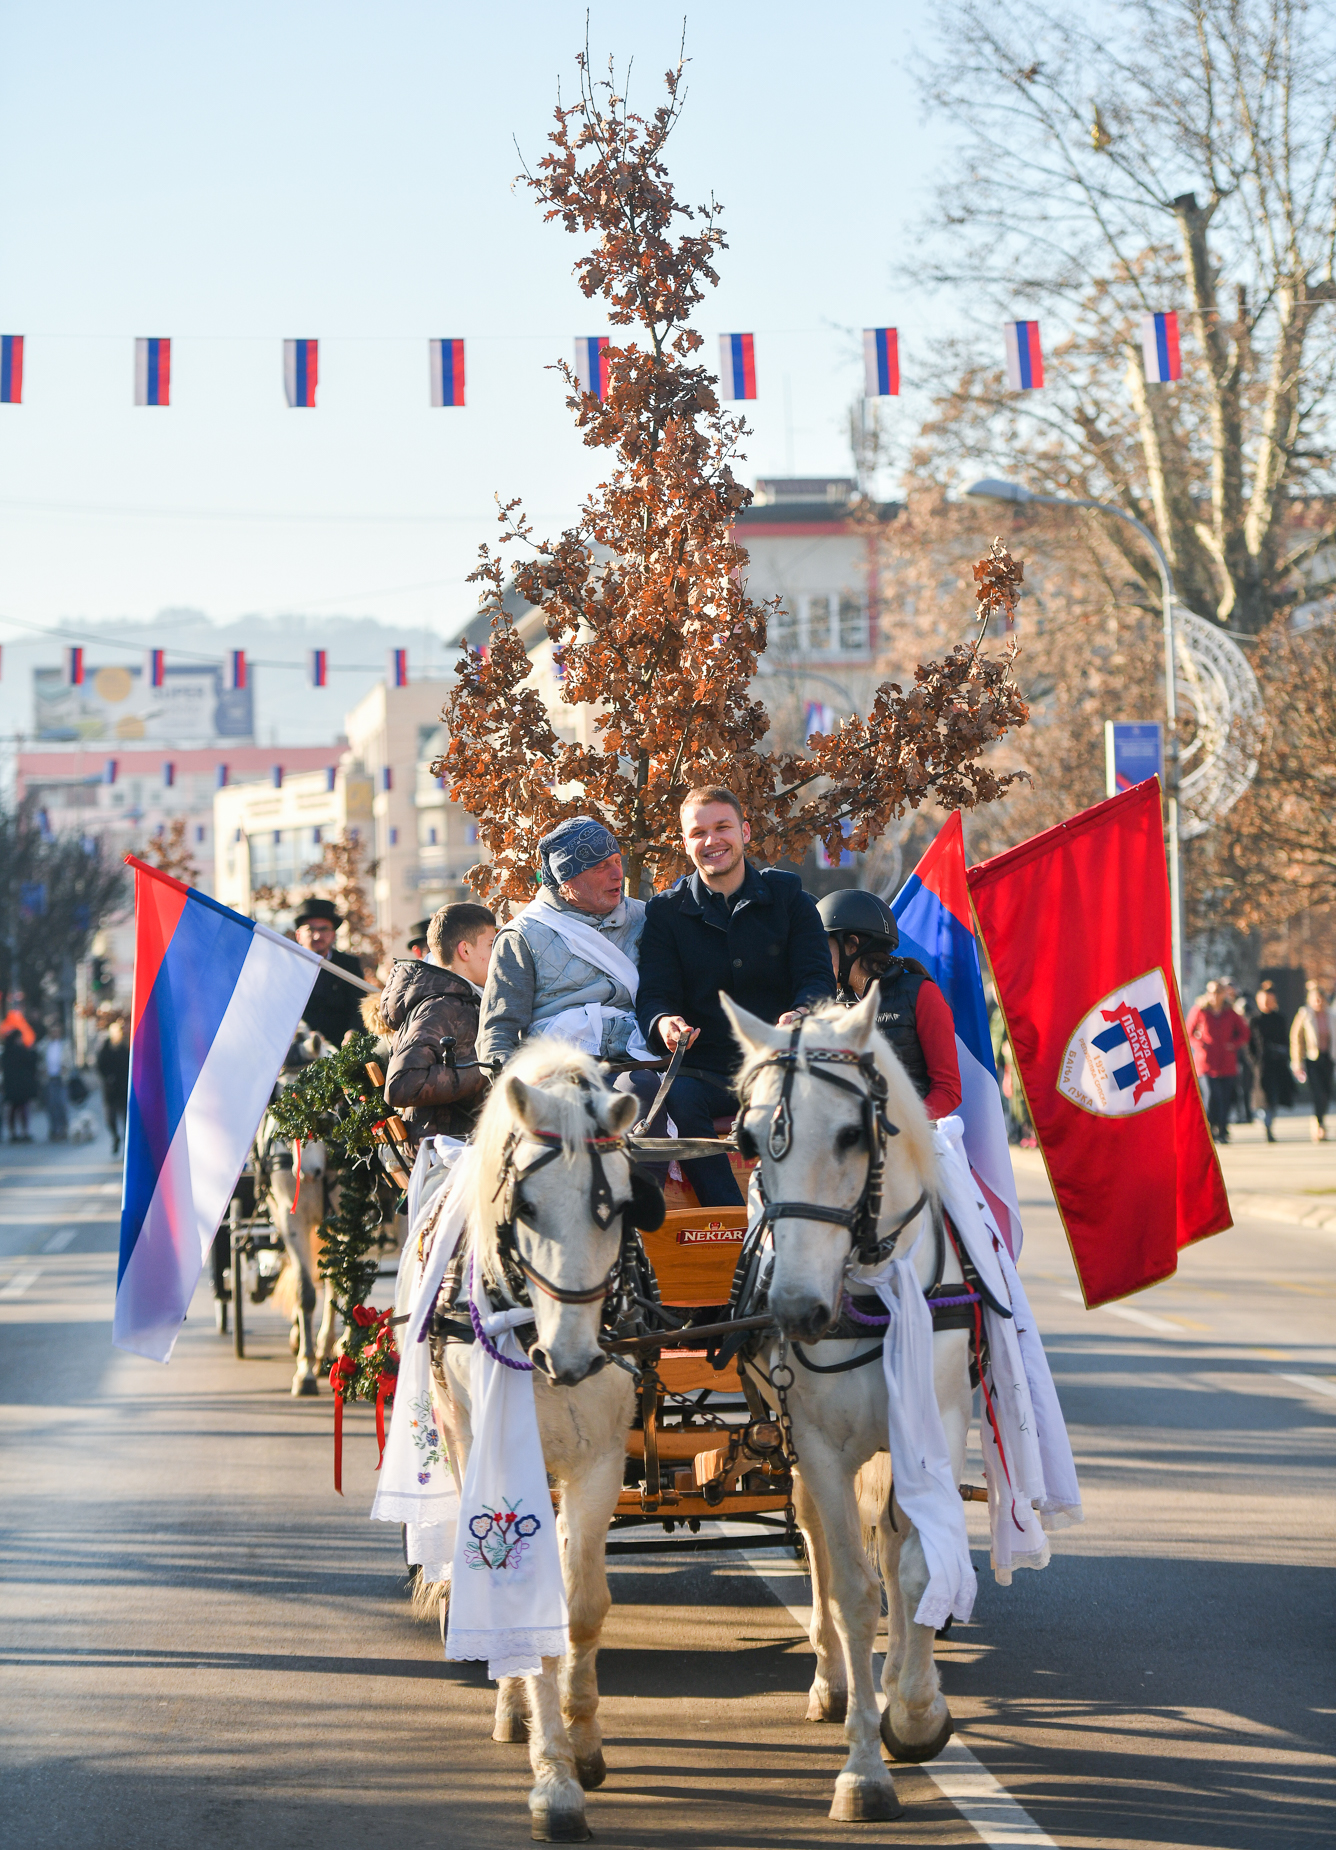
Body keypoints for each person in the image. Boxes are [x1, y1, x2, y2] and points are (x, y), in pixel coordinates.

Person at [636, 786, 836, 1206]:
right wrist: (665, 1024)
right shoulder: (665, 914)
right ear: (685, 843)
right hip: (704, 1072)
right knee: (678, 1098)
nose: (712, 841)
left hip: (780, 1061)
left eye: (723, 827)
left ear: (745, 831)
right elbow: (655, 994)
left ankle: (804, 1210)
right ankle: (731, 1219)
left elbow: (816, 978)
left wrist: (801, 1013)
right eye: (698, 833)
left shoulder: (791, 901)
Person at [477, 814, 648, 1067]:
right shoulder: (521, 936)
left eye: (616, 861)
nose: (617, 874)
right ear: (567, 880)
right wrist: (515, 1092)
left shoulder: (646, 917)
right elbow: (500, 1030)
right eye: (600, 867)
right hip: (559, 1072)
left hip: (644, 1056)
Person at [816, 889, 962, 1120]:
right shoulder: (827, 1009)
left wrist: (897, 1129)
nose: (816, 959)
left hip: (911, 1147)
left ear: (852, 945)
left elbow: (948, 1090)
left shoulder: (922, 994)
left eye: (823, 948)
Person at [382, 902, 497, 1143]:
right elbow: (401, 1084)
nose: (499, 953)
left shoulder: (461, 998)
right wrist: (487, 1070)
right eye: (491, 944)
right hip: (447, 1152)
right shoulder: (441, 1007)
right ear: (465, 950)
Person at [292, 897, 366, 1046]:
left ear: (333, 935)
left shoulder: (348, 965)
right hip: (299, 1051)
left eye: (324, 929)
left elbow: (360, 1005)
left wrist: (354, 1032)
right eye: (311, 930)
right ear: (298, 935)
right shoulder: (289, 967)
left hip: (341, 1049)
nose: (317, 936)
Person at [1186, 978, 1250, 1143]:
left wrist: (1233, 1045)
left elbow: (1244, 1033)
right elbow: (1188, 1032)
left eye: (1218, 992)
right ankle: (1210, 1128)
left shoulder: (1231, 1012)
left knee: (1226, 1097)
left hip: (1227, 1063)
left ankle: (1222, 1129)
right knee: (1211, 1096)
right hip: (1206, 1062)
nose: (1214, 996)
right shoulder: (1200, 1010)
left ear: (1223, 994)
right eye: (1212, 992)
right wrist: (1200, 1044)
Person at [1290, 980, 1335, 1145]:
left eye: (1320, 999)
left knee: (1327, 1092)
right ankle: (1319, 1124)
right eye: (1315, 999)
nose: (1318, 1002)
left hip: (1328, 1058)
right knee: (1318, 1093)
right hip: (1312, 1058)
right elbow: (1296, 1038)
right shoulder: (1305, 1015)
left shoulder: (1331, 1015)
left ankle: (1320, 1120)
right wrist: (1297, 1061)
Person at [1250, 981, 1293, 1144]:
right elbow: (1250, 1044)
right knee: (1263, 1097)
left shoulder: (1280, 1019)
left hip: (1278, 1063)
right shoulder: (1254, 1019)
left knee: (1274, 1097)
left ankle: (1269, 1124)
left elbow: (1285, 1039)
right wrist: (1254, 1060)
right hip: (1262, 1065)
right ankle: (1265, 1122)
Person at [96, 1017, 130, 1155]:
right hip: (110, 1089)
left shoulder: (125, 1049)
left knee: (125, 1118)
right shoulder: (105, 1048)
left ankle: (126, 1144)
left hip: (123, 1088)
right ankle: (115, 1136)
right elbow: (100, 1066)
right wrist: (106, 1078)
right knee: (110, 1118)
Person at [42, 1030, 69, 1142]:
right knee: (51, 1105)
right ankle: (54, 1129)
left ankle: (63, 1128)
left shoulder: (64, 1045)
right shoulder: (45, 1045)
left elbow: (69, 1060)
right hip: (49, 1078)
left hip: (61, 1078)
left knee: (61, 1104)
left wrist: (65, 1068)